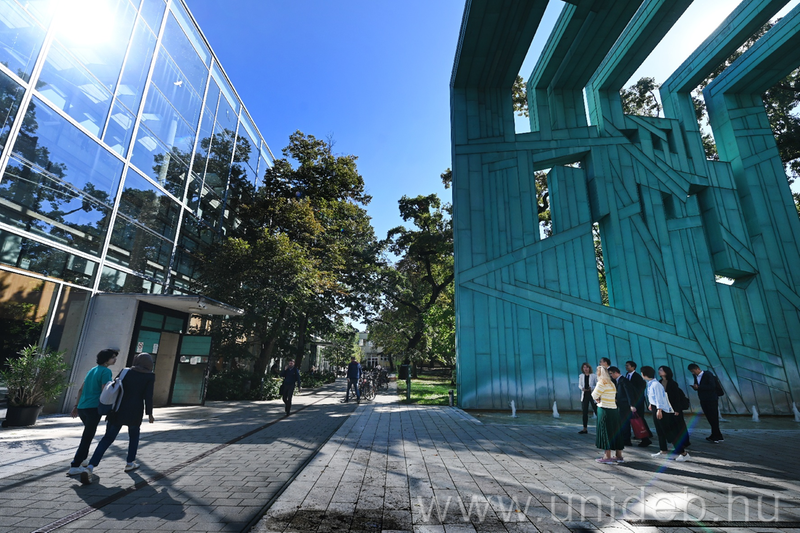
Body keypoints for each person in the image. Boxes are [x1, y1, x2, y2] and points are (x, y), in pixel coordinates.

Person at [81, 353, 155, 484]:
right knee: (134, 436)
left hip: (117, 409)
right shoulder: (150, 376)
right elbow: (148, 396)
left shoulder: (126, 371)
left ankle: (91, 466)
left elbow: (114, 386)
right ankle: (130, 463)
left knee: (107, 438)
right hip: (135, 411)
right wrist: (149, 413)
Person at [67, 349, 118, 476]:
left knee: (88, 433)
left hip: (83, 407)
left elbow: (81, 389)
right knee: (87, 436)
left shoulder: (92, 370)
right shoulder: (106, 371)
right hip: (94, 408)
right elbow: (105, 390)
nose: (115, 359)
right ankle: (75, 465)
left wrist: (76, 406)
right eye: (113, 357)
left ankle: (83, 460)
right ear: (106, 359)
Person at [641, 366, 689, 461]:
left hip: (661, 409)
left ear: (644, 374)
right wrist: (651, 404)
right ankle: (663, 450)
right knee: (660, 431)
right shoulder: (651, 383)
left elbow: (660, 397)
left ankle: (684, 453)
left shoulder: (656, 384)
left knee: (668, 432)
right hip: (655, 407)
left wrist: (659, 409)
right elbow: (654, 396)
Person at [591, 366, 624, 464]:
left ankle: (607, 456)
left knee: (605, 431)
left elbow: (594, 395)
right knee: (616, 431)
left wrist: (597, 399)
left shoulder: (601, 383)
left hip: (604, 409)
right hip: (614, 410)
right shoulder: (611, 383)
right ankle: (619, 455)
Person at [659, 365, 691, 458]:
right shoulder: (660, 382)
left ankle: (683, 443)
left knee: (678, 426)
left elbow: (676, 397)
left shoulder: (672, 383)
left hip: (674, 408)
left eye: (661, 370)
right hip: (666, 408)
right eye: (659, 370)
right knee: (671, 427)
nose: (659, 371)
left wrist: (676, 409)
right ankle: (677, 444)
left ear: (666, 372)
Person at [688, 363, 724, 443]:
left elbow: (712, 386)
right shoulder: (695, 376)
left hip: (711, 399)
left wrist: (699, 387)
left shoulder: (708, 374)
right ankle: (717, 435)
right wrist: (695, 387)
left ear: (698, 368)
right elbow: (698, 385)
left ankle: (716, 436)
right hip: (703, 399)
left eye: (693, 371)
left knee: (713, 417)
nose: (693, 373)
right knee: (709, 417)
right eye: (691, 372)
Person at [625, 361, 652, 447]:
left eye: (628, 366)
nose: (626, 367)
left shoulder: (637, 376)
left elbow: (640, 388)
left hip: (637, 401)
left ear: (633, 367)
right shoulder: (627, 375)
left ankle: (645, 437)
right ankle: (642, 434)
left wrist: (634, 401)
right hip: (632, 401)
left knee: (639, 419)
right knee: (636, 419)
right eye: (626, 365)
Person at [608, 366, 635, 446]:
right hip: (621, 404)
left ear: (616, 373)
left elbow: (629, 393)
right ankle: (624, 438)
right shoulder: (618, 381)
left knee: (625, 422)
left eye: (611, 373)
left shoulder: (624, 381)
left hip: (625, 405)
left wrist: (631, 405)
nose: (611, 375)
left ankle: (626, 440)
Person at [577, 362, 597, 434]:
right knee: (584, 412)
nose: (585, 369)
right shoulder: (581, 376)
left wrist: (591, 388)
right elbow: (579, 385)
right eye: (584, 367)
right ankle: (584, 428)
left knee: (596, 410)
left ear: (589, 368)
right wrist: (582, 388)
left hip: (592, 395)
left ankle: (601, 427)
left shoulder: (594, 376)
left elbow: (597, 385)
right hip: (585, 395)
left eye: (587, 367)